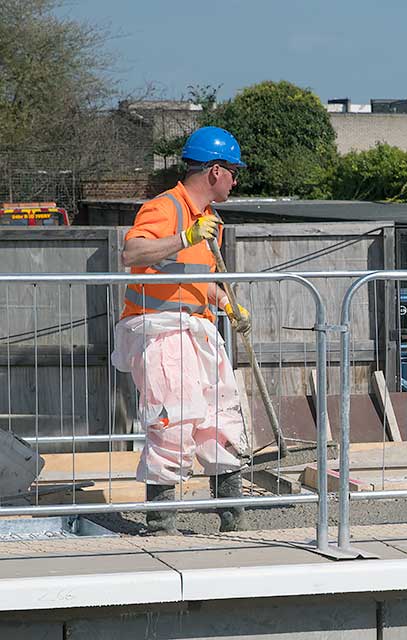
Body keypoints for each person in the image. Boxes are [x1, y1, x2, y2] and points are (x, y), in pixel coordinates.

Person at [111, 126, 252, 535]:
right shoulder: (166, 208)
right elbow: (131, 252)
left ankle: (232, 518)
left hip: (197, 327)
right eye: (232, 171)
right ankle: (161, 523)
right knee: (172, 417)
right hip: (160, 329)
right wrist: (183, 237)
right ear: (214, 171)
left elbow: (196, 278)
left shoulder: (209, 221)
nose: (235, 180)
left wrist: (227, 302)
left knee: (219, 418)